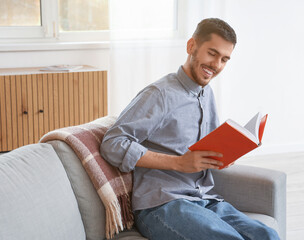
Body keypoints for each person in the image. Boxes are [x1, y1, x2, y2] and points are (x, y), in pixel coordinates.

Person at [100, 18, 280, 240]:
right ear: (191, 46)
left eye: (224, 59)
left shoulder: (206, 93)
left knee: (268, 235)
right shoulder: (159, 95)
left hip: (203, 198)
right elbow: (113, 143)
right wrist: (178, 163)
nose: (217, 65)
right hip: (161, 204)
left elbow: (206, 145)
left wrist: (227, 154)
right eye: (212, 53)